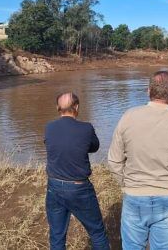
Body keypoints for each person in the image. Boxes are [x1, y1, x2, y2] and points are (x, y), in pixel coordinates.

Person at [108, 70, 168, 250]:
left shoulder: (128, 117)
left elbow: (114, 161)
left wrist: (127, 184)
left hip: (135, 195)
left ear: (148, 90)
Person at [44, 92, 110, 250]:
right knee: (97, 232)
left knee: (57, 235)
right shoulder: (86, 128)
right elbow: (94, 147)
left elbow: (50, 144)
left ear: (57, 108)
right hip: (79, 187)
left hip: (54, 186)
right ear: (77, 107)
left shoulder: (49, 127)